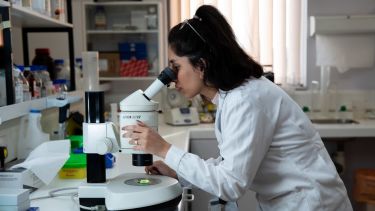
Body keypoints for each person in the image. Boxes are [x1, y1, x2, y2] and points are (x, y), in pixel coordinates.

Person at [123, 5, 352, 211]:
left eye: (176, 67)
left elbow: (230, 184)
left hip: (311, 203)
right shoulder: (233, 96)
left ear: (201, 66)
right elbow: (229, 164)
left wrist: (164, 149)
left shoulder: (246, 100)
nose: (172, 78)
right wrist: (179, 172)